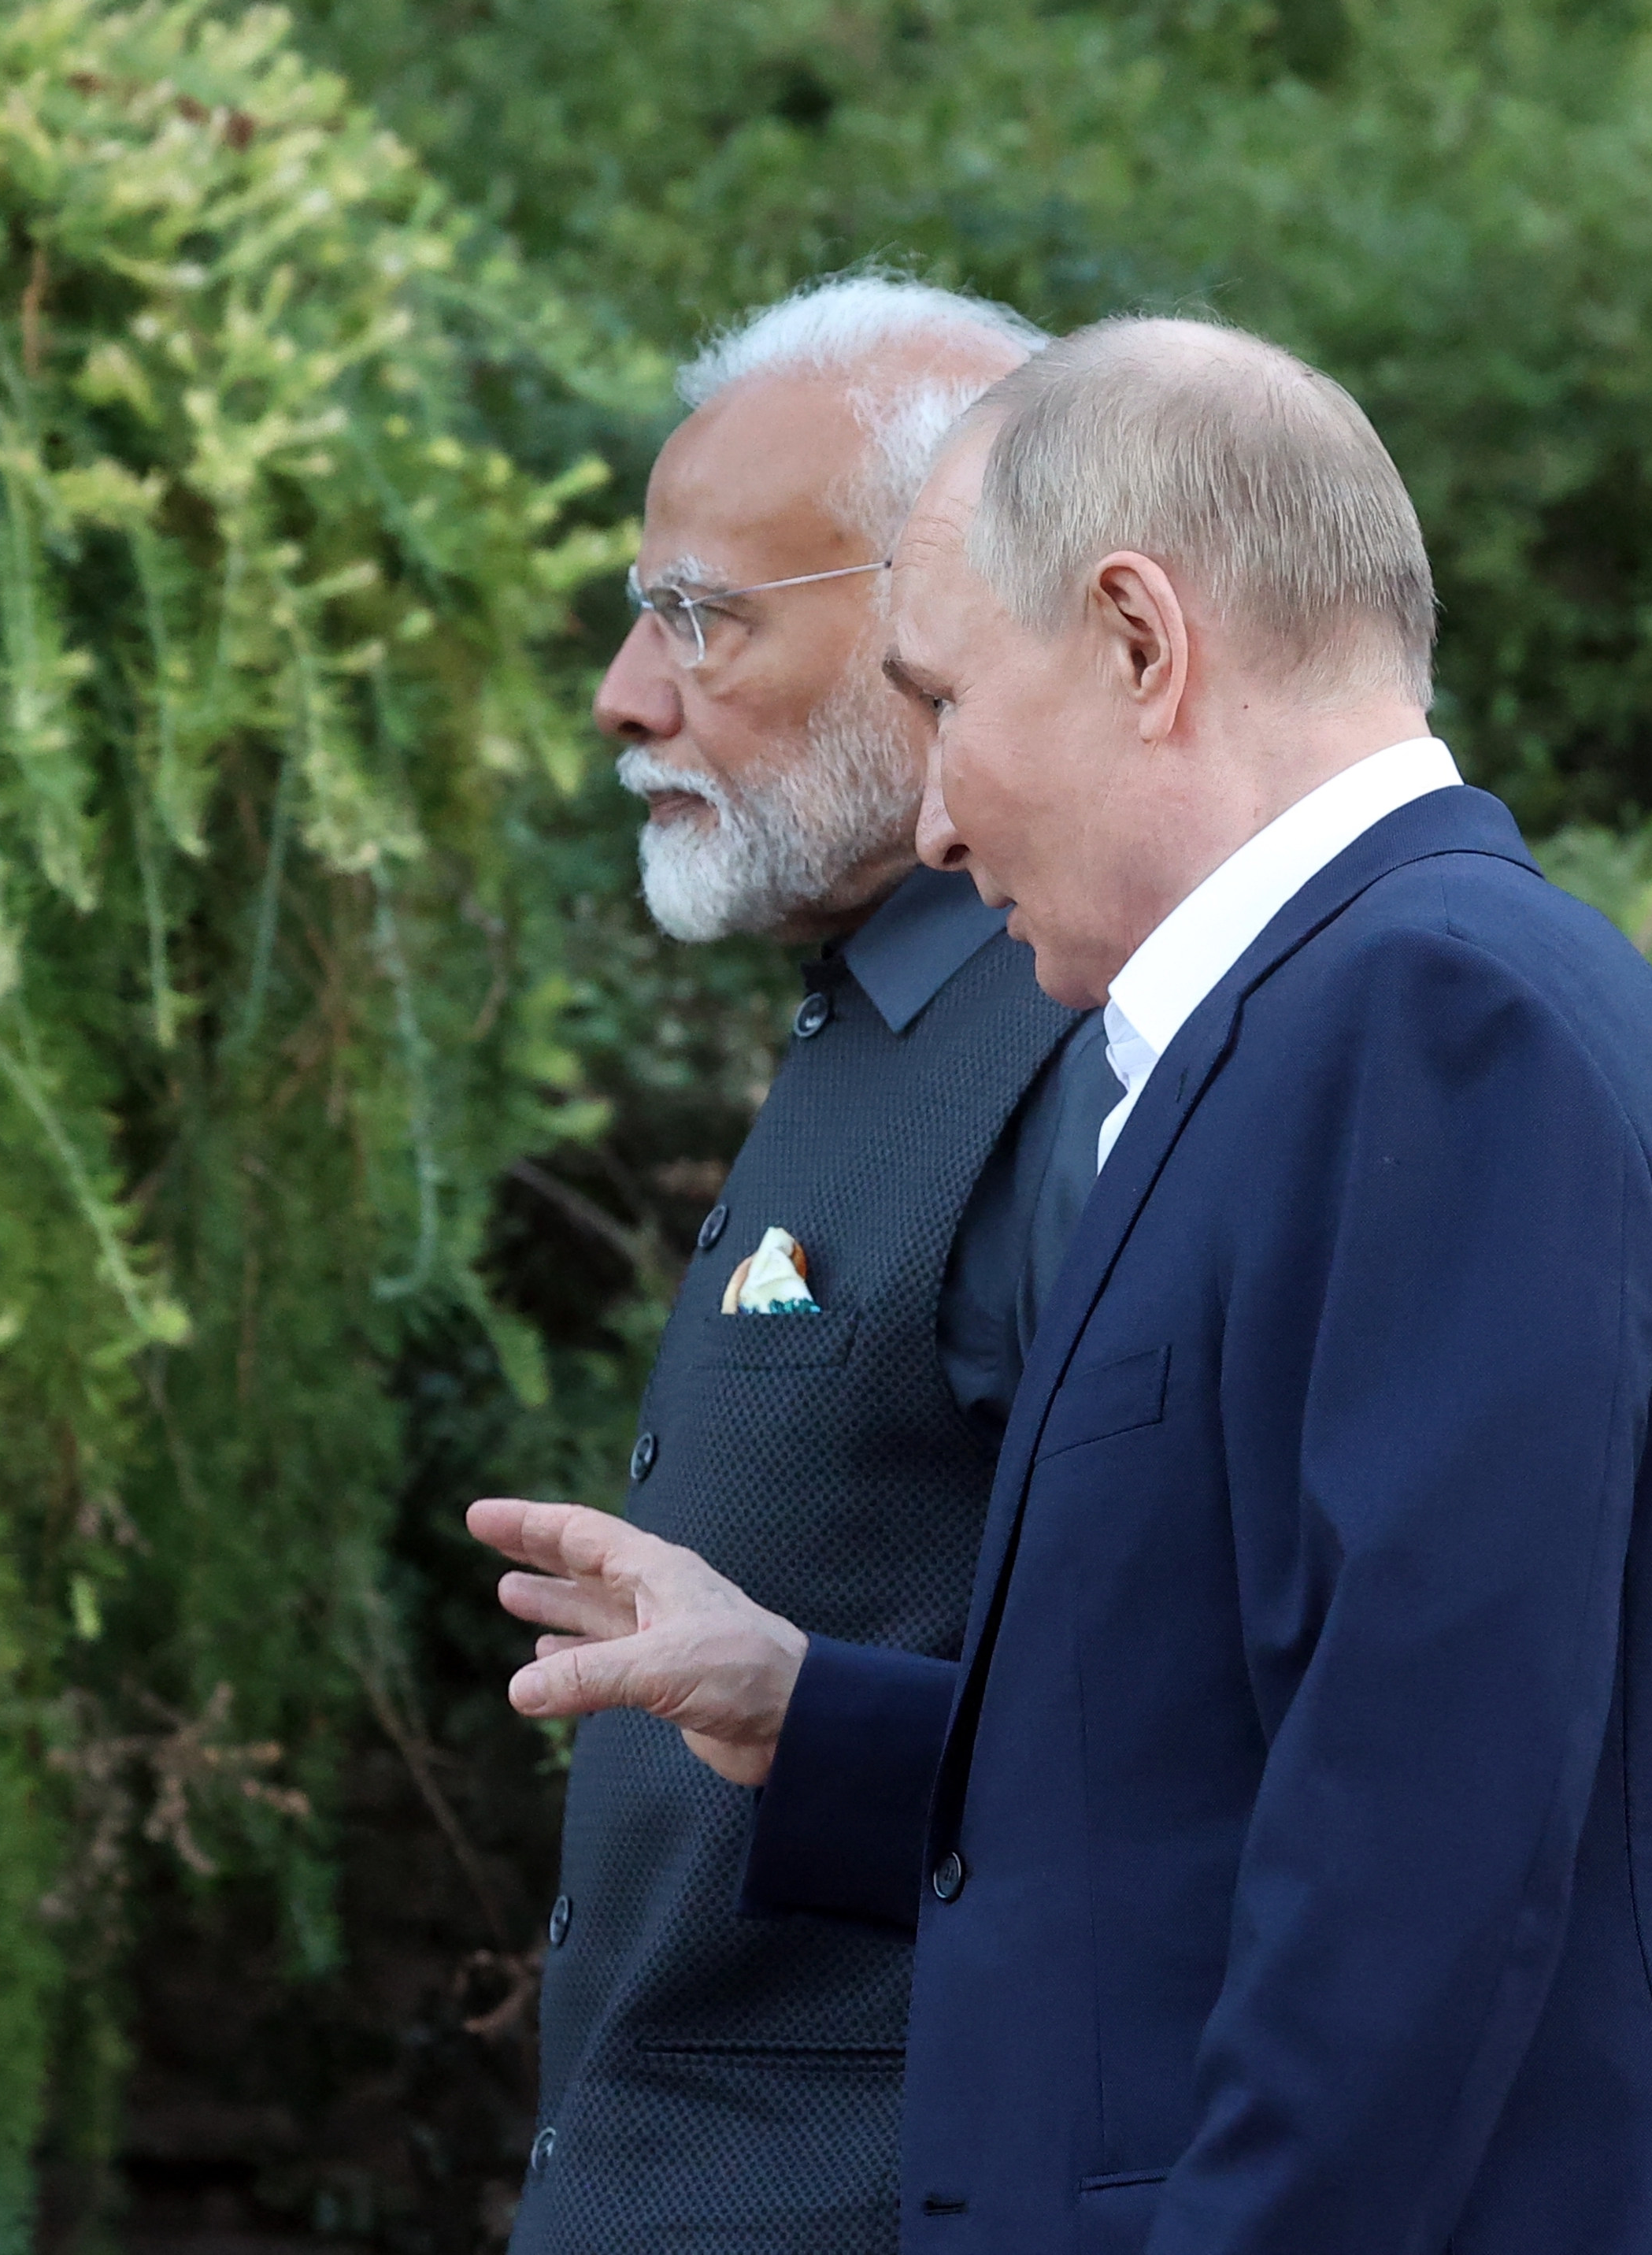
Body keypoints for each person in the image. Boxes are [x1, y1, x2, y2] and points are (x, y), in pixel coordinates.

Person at [473, 315, 1652, 2254]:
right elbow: (1221, 1782)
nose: (941, 820)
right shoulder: (1333, 1021)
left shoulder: (1433, 1024)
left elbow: (1418, 1874)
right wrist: (809, 1711)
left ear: (1142, 644)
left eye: (949, 702)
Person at [508, 275, 1121, 2255]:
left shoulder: (1080, 1049)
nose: (624, 689)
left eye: (700, 614)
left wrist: (794, 1701)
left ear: (945, 600)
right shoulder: (883, 1005)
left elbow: (1182, 1755)